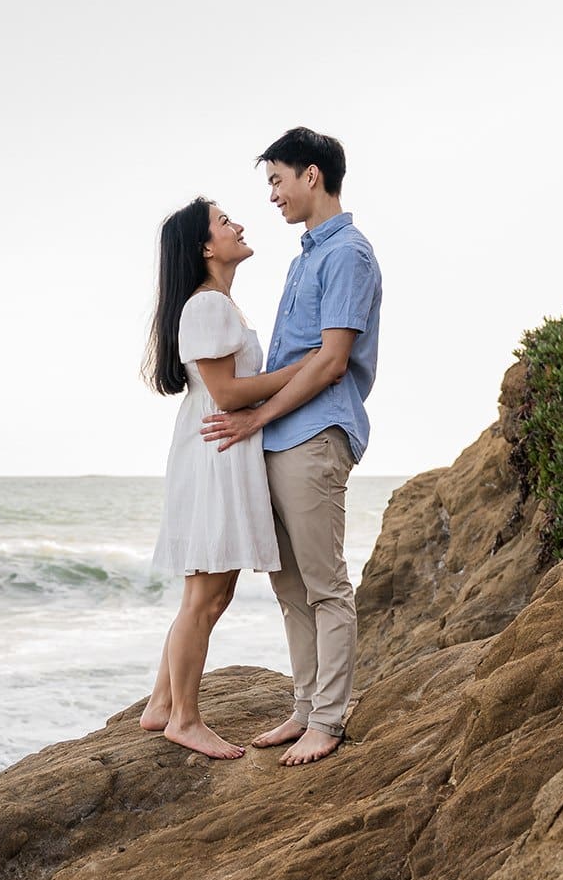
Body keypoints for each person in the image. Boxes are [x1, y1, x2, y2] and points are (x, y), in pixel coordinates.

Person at [202, 127, 382, 767]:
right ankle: (306, 708)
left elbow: (331, 362)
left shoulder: (348, 254)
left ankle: (329, 719)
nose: (273, 195)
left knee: (326, 586)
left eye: (277, 180)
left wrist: (256, 417)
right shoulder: (305, 257)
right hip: (280, 437)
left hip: (314, 433)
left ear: (312, 175)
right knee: (290, 587)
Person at [138, 197, 322, 759]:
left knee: (209, 591)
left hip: (218, 449)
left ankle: (162, 703)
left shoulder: (216, 303)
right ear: (205, 247)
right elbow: (227, 393)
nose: (238, 225)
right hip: (216, 452)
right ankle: (184, 719)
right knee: (207, 592)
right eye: (224, 222)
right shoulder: (208, 305)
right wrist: (303, 369)